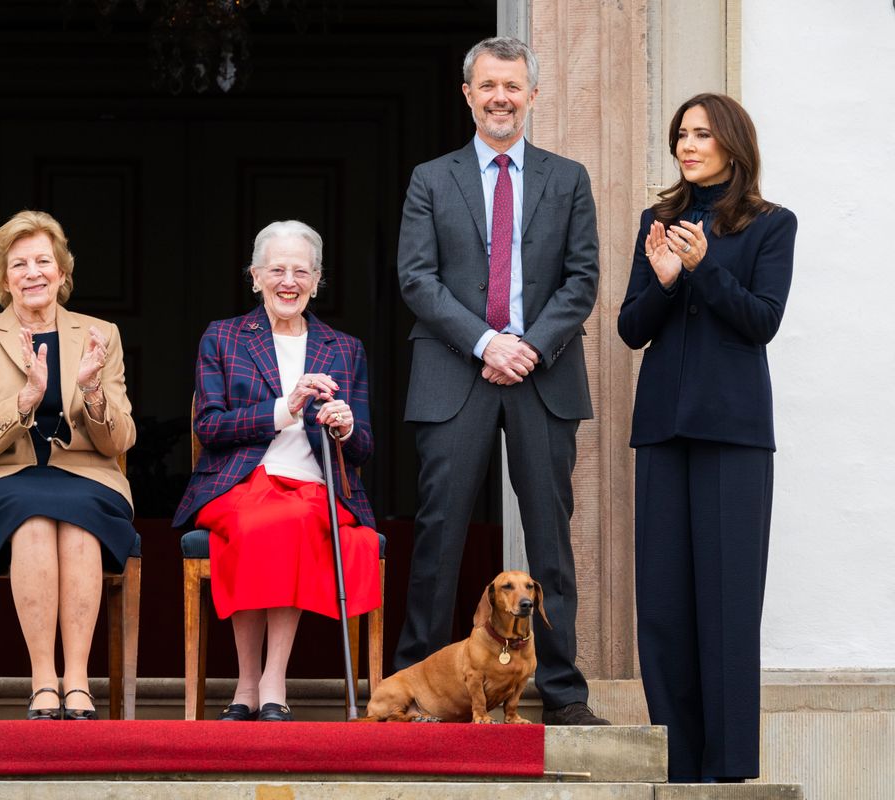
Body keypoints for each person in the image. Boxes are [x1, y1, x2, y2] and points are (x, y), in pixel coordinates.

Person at [393, 36, 606, 726]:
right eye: (488, 85)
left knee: (550, 541)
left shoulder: (568, 178)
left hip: (543, 374)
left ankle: (563, 693)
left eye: (513, 86)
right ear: (468, 94)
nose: (500, 98)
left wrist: (528, 348)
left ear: (533, 95)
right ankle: (421, 692)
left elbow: (582, 280)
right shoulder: (432, 178)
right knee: (439, 535)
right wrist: (487, 342)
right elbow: (416, 278)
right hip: (455, 370)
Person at [618, 93, 796, 782]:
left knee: (727, 601)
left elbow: (762, 320)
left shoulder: (771, 224)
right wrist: (666, 282)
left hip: (733, 434)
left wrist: (704, 269)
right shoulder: (658, 222)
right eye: (681, 135)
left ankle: (728, 768)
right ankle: (679, 764)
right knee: (663, 607)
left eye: (701, 134)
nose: (687, 146)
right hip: (663, 430)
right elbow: (633, 328)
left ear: (730, 143)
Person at [172, 220, 381, 722]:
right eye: (277, 270)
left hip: (315, 487)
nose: (289, 282)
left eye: (301, 272)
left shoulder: (344, 347)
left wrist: (346, 427)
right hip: (238, 482)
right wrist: (285, 409)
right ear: (255, 277)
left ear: (317, 280)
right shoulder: (223, 337)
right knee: (256, 522)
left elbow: (363, 450)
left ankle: (272, 679)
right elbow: (209, 426)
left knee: (293, 519)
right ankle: (248, 681)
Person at [0, 210, 137, 721]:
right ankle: (43, 680)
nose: (33, 273)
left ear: (62, 271)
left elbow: (121, 439)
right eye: (19, 264)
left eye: (43, 261)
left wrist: (92, 391)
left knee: (79, 523)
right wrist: (25, 400)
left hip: (86, 476)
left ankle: (78, 681)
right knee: (32, 521)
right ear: (3, 279)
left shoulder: (100, 335)